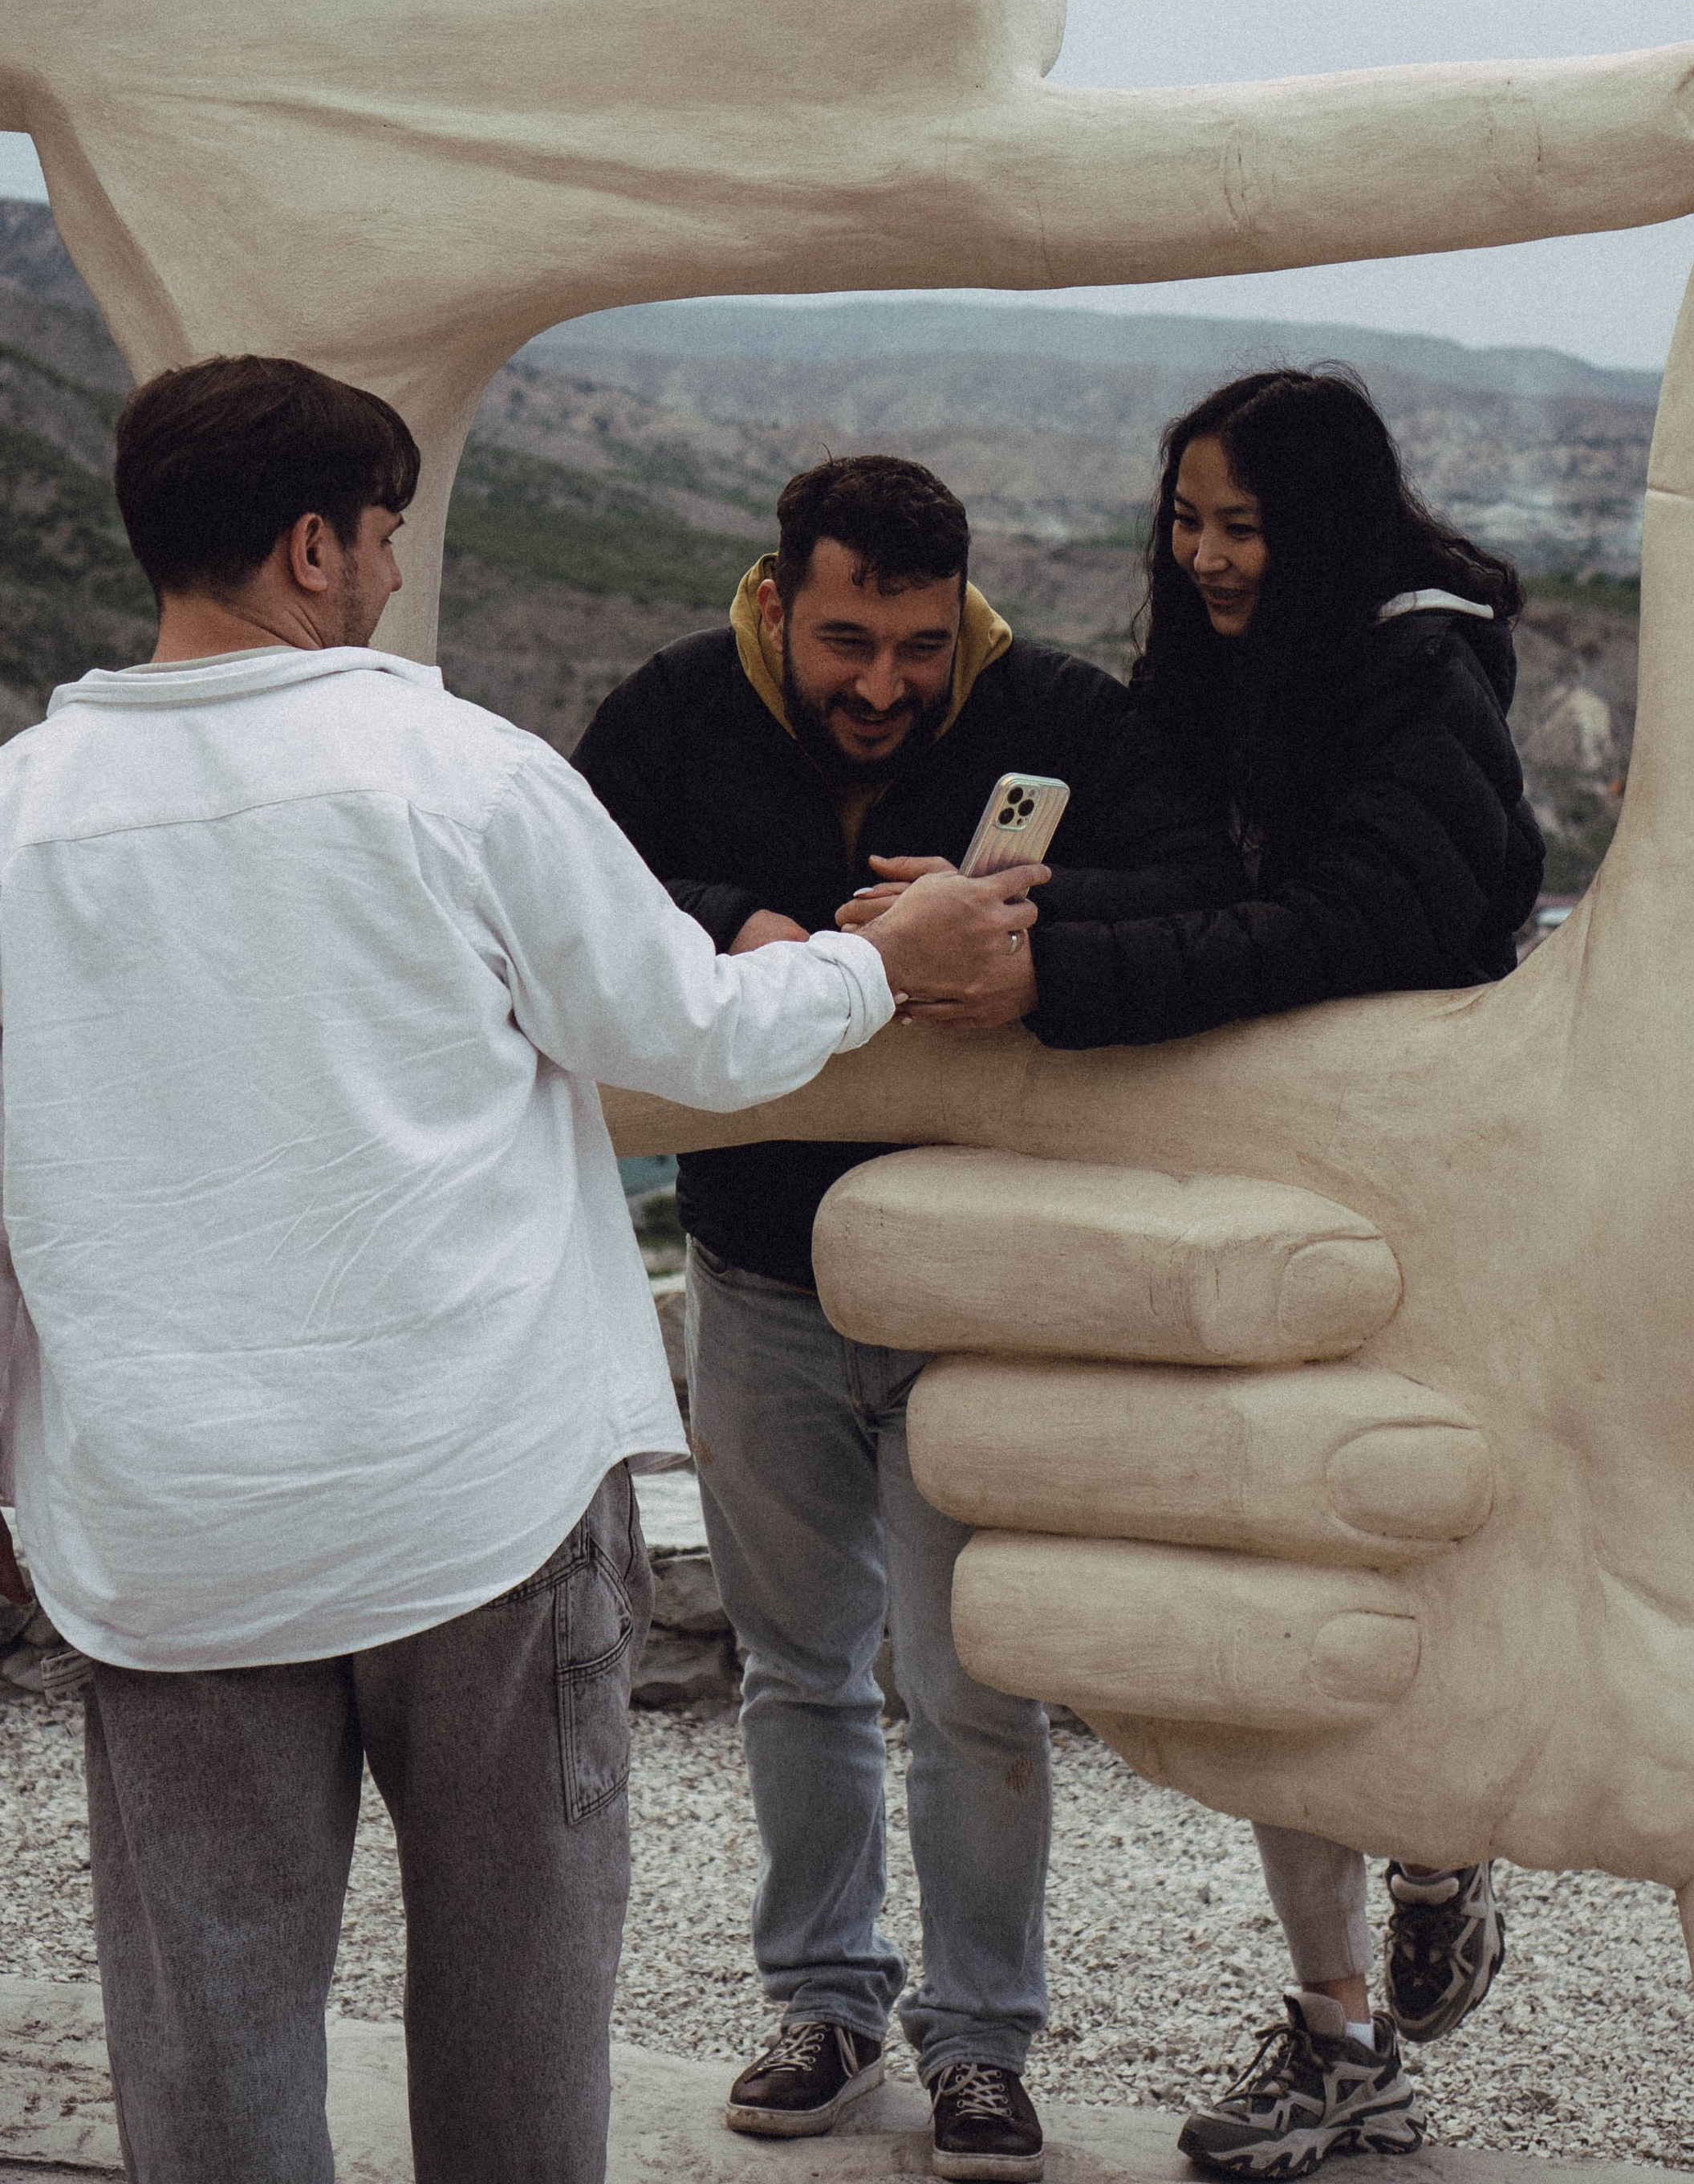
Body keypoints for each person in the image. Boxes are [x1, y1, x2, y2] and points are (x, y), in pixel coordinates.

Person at [0, 360, 1031, 2184]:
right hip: (471, 1500)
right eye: (386, 534)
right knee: (515, 2009)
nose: (393, 572)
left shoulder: (17, 819)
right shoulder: (451, 770)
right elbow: (692, 1033)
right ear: (313, 545)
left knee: (212, 2031)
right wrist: (896, 957)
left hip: (166, 1524)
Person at [845, 370, 1543, 2173]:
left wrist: (1053, 979)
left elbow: (1357, 929)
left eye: (1244, 526)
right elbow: (1206, 886)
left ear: (1328, 522)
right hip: (1253, 1186)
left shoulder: (1414, 674)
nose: (1210, 559)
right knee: (1259, 1612)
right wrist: (1011, 915)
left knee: (1406, 1563)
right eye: (1188, 521)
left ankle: (1438, 1835)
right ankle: (1339, 2031)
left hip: (1410, 1198)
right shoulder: (1230, 668)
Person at [571, 453, 1243, 2182]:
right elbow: (572, 903)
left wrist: (1007, 916)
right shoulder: (663, 713)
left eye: (920, 649)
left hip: (983, 1288)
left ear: (967, 623)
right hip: (754, 1270)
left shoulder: (1063, 712)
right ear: (777, 600)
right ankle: (818, 2002)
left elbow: (1198, 890)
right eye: (849, 641)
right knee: (794, 1673)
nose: (884, 685)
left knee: (972, 1686)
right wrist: (752, 927)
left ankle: (977, 2042)